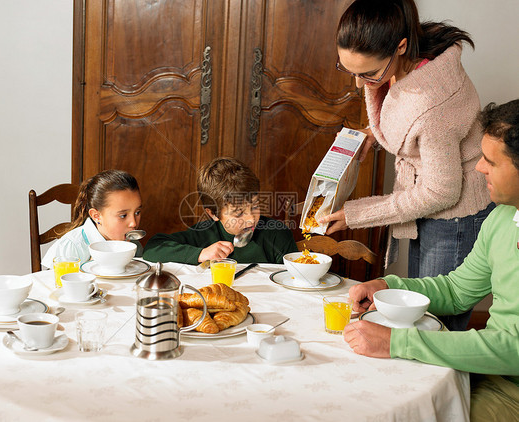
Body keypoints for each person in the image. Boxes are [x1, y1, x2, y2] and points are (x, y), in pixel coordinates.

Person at [318, 0, 494, 331]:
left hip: (453, 216)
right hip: (429, 205)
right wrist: (374, 134)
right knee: (419, 313)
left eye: (368, 73)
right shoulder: (409, 60)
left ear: (400, 46)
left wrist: (357, 215)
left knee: (436, 325)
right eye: (349, 70)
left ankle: (446, 385)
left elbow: (441, 190)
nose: (359, 84)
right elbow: (410, 129)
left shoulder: (431, 103)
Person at [343, 100, 519, 421]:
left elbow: (514, 348)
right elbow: (456, 291)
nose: (479, 167)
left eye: (491, 162)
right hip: (490, 373)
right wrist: (388, 286)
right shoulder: (502, 219)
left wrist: (399, 342)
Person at [143, 157, 298, 264]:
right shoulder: (202, 235)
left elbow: (294, 279)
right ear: (213, 214)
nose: (251, 219)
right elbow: (152, 249)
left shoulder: (277, 235)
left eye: (255, 206)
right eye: (239, 213)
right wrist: (200, 254)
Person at [41, 169, 143, 269]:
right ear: (96, 216)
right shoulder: (72, 247)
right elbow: (53, 283)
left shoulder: (132, 244)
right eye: (123, 216)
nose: (133, 223)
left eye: (137, 212)